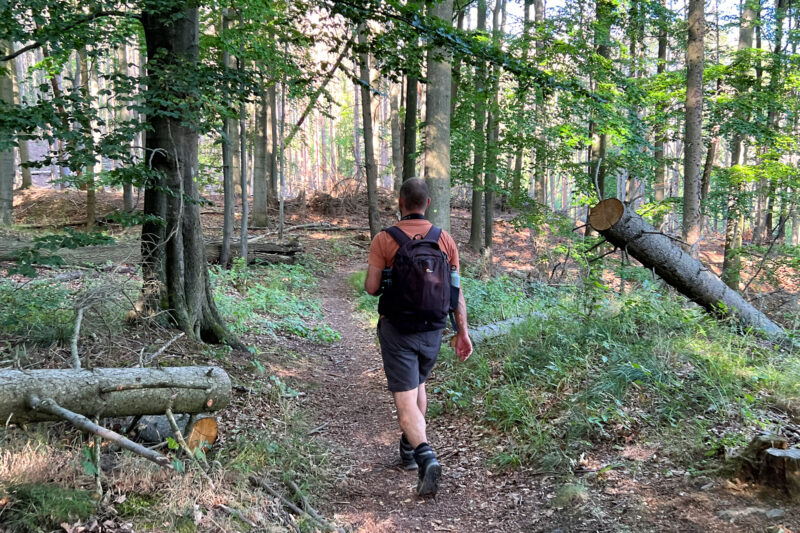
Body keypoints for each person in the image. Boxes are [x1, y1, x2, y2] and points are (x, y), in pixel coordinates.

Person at [365, 178, 473, 497]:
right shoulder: (446, 241)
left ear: (400, 202)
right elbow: (456, 293)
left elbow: (371, 289)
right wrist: (462, 332)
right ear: (427, 204)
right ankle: (408, 448)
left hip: (397, 329)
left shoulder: (385, 240)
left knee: (404, 400)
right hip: (433, 330)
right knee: (418, 387)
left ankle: (426, 457)